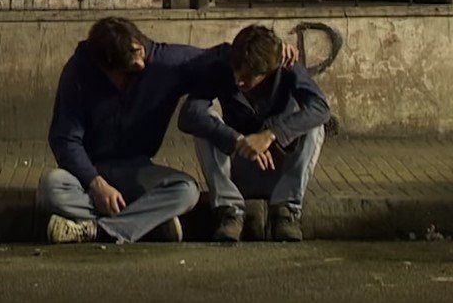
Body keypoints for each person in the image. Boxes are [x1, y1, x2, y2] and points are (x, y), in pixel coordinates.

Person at [36, 17, 297, 244]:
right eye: (127, 71)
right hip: (89, 173)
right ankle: (144, 222)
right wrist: (96, 184)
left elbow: (223, 57)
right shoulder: (79, 71)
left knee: (186, 190)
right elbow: (65, 138)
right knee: (51, 187)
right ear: (105, 67)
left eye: (140, 56)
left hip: (137, 171)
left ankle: (100, 229)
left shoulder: (166, 62)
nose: (139, 68)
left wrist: (273, 52)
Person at [178, 24, 330, 242]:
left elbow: (321, 108)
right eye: (236, 72)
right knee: (204, 124)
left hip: (280, 170)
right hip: (239, 170)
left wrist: (271, 135)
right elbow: (188, 114)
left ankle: (286, 212)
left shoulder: (286, 66)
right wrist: (236, 139)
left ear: (269, 71)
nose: (239, 81)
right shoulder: (221, 64)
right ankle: (230, 212)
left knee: (315, 125)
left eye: (249, 76)